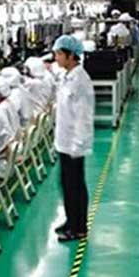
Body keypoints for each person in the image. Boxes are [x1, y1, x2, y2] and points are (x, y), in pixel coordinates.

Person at [52, 35, 95, 242]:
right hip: (64, 141)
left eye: (59, 54)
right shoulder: (67, 76)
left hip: (73, 145)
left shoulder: (80, 81)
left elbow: (83, 117)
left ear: (71, 56)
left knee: (75, 186)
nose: (56, 57)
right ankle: (71, 220)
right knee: (66, 185)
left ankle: (79, 228)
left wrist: (78, 145)